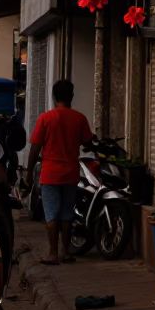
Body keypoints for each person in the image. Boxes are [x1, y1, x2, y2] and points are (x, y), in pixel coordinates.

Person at [26, 80, 92, 266]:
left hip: (50, 173)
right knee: (66, 213)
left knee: (51, 214)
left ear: (54, 96)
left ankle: (53, 254)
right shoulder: (79, 118)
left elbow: (35, 148)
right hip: (71, 172)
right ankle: (66, 252)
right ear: (71, 96)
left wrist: (29, 172)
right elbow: (87, 142)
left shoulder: (46, 118)